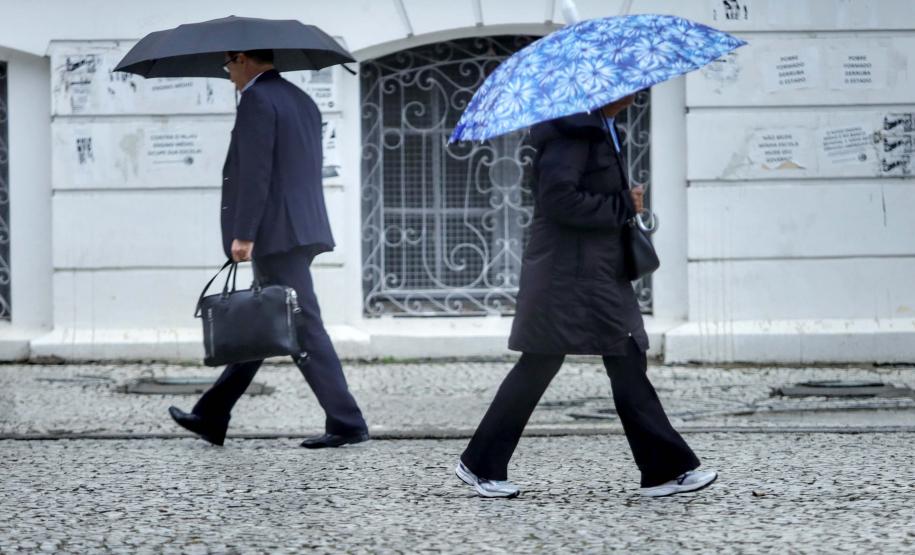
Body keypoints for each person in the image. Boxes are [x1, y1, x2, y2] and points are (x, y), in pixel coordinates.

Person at [455, 95, 717, 498]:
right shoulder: (573, 134)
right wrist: (622, 204)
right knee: (541, 363)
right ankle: (480, 464)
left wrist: (622, 202)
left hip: (597, 270)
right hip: (565, 274)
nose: (637, 92)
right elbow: (558, 199)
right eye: (630, 84)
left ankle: (664, 470)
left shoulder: (604, 130)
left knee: (625, 356)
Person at [168, 49, 369, 449]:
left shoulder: (257, 99)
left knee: (304, 326)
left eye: (228, 66)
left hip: (276, 232)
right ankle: (212, 414)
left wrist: (244, 232)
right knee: (263, 320)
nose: (228, 75)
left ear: (243, 59)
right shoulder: (300, 98)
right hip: (299, 227)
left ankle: (347, 422)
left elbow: (256, 172)